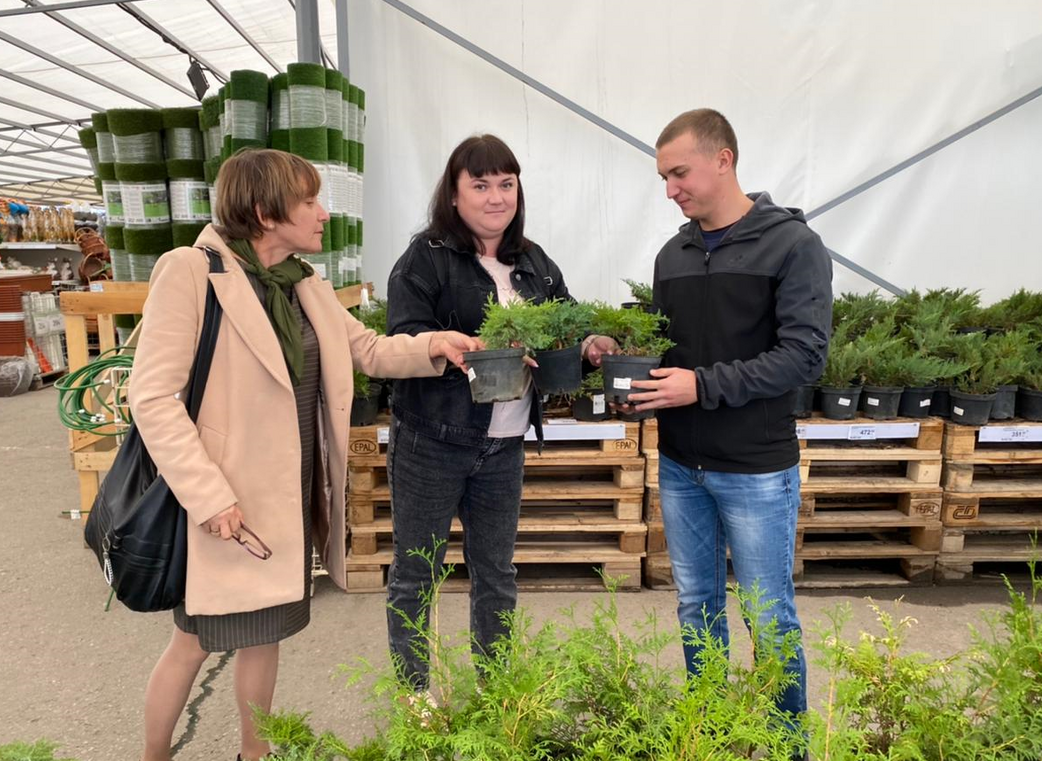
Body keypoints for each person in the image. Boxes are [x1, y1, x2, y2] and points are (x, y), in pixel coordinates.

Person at [128, 148, 480, 761]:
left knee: (266, 636)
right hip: (224, 499)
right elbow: (152, 396)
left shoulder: (302, 281)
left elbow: (367, 350)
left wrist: (434, 345)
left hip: (287, 497)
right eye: (309, 200)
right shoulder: (190, 270)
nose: (324, 213)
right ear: (265, 212)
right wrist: (208, 496)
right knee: (194, 641)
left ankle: (253, 755)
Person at [625, 109, 832, 758]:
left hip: (755, 471)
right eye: (663, 178)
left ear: (724, 159)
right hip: (683, 465)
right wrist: (618, 354)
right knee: (697, 607)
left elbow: (803, 357)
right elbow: (665, 349)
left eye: (679, 173)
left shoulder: (792, 247)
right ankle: (709, 734)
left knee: (768, 618)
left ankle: (787, 744)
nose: (670, 190)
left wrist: (700, 385)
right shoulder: (672, 255)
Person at [384, 134, 618, 695]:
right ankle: (416, 698)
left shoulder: (533, 261)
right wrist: (445, 343)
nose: (496, 197)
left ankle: (497, 696)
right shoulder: (426, 258)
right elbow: (402, 338)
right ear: (455, 194)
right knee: (417, 573)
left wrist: (590, 343)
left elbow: (565, 324)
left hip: (504, 446)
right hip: (432, 441)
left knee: (496, 573)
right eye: (481, 184)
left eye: (506, 184)